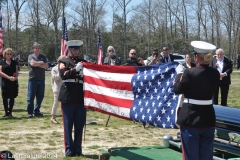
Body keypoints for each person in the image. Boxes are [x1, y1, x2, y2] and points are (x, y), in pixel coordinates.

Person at [174, 41, 220, 160]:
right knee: (206, 155)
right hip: (208, 117)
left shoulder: (189, 72)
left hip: (191, 118)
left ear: (196, 57)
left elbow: (178, 89)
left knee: (191, 155)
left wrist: (179, 75)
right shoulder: (215, 73)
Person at [58, 40, 86, 157]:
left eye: (77, 49)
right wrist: (75, 70)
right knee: (68, 125)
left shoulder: (83, 62)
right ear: (69, 50)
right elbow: (64, 74)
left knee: (79, 125)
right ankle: (69, 149)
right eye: (74, 49)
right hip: (68, 96)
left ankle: (78, 149)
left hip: (80, 97)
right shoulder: (63, 61)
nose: (76, 51)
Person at [27, 42, 49, 118]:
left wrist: (37, 64)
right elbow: (32, 64)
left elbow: (46, 66)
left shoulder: (43, 56)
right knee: (31, 96)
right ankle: (30, 112)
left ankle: (37, 111)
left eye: (38, 48)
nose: (37, 49)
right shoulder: (30, 56)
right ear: (33, 49)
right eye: (36, 48)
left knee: (40, 96)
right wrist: (41, 63)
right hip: (33, 79)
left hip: (41, 79)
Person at [0, 48, 19, 117]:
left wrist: (15, 77)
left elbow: (17, 72)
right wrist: (8, 77)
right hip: (5, 82)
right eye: (8, 54)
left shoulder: (14, 62)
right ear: (5, 54)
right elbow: (0, 72)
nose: (9, 55)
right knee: (5, 97)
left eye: (10, 54)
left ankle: (10, 112)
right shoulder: (2, 62)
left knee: (12, 97)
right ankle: (6, 112)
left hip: (13, 82)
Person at [50, 55, 68, 124]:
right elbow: (55, 78)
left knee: (65, 103)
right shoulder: (54, 69)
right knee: (56, 103)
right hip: (57, 88)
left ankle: (65, 117)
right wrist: (61, 72)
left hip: (65, 88)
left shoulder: (66, 68)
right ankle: (53, 117)